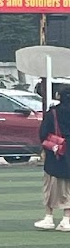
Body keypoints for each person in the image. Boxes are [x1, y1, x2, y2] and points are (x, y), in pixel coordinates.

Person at [35, 83, 70, 230]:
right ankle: (66, 219)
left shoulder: (53, 113)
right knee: (68, 187)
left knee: (50, 184)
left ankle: (48, 217)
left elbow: (43, 133)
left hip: (56, 153)